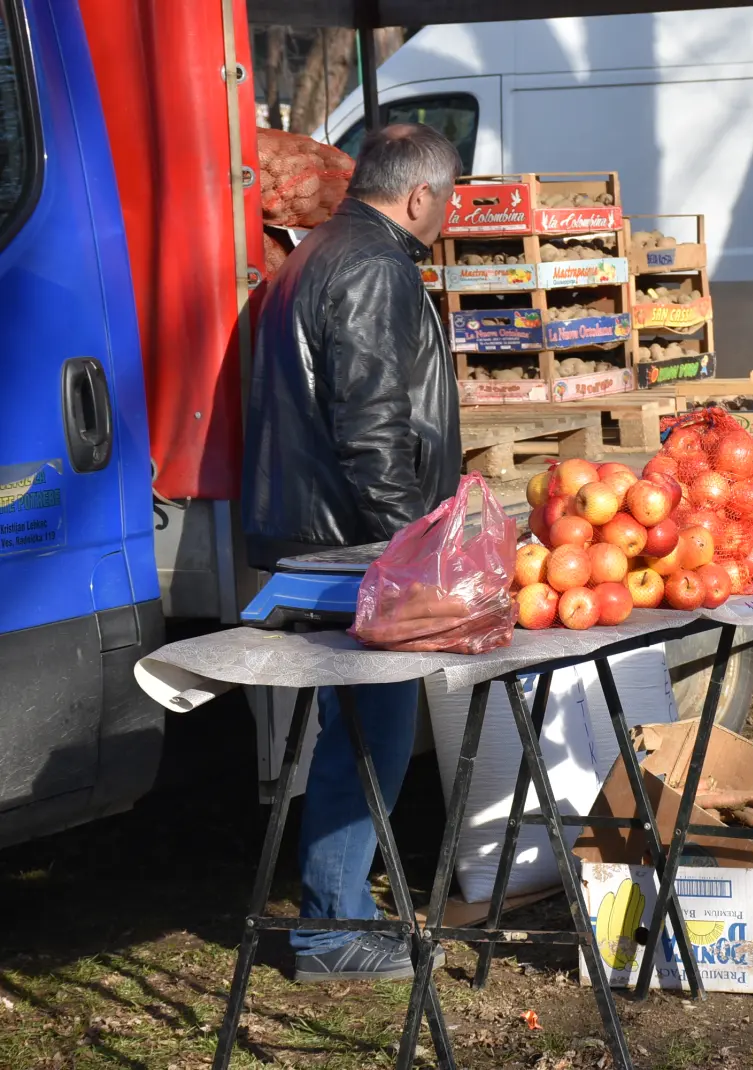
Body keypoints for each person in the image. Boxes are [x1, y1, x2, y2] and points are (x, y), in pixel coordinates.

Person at [242, 123, 462, 984]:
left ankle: (338, 916)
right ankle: (333, 932)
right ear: (420, 198)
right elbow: (372, 429)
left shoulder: (320, 251)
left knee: (356, 732)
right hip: (352, 544)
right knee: (371, 731)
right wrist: (414, 553)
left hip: (325, 536)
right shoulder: (373, 266)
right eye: (445, 203)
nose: (443, 218)